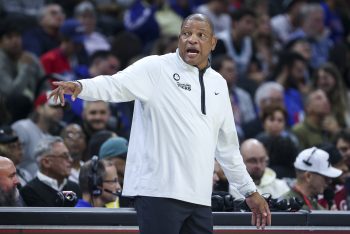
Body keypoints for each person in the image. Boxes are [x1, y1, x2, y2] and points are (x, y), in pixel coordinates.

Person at [50, 13, 271, 232]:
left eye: (200, 35)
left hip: (200, 197)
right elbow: (114, 84)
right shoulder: (155, 68)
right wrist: (80, 87)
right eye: (186, 33)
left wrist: (249, 191)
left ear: (213, 43)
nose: (191, 39)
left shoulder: (219, 84)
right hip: (157, 192)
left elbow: (228, 149)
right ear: (178, 39)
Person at [20, 136, 81, 207]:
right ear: (46, 162)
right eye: (65, 156)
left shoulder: (74, 187)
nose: (71, 160)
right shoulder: (29, 191)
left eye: (69, 155)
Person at [281, 147, 342, 211]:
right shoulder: (285, 207)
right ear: (308, 176)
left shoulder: (316, 205)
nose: (330, 181)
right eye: (326, 178)